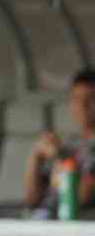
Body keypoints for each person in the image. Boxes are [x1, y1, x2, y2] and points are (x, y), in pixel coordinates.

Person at [25, 69, 95, 217]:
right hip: (44, 219)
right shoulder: (67, 143)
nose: (82, 106)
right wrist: (35, 156)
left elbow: (81, 197)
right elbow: (32, 200)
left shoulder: (62, 150)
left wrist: (59, 156)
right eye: (76, 99)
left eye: (91, 99)